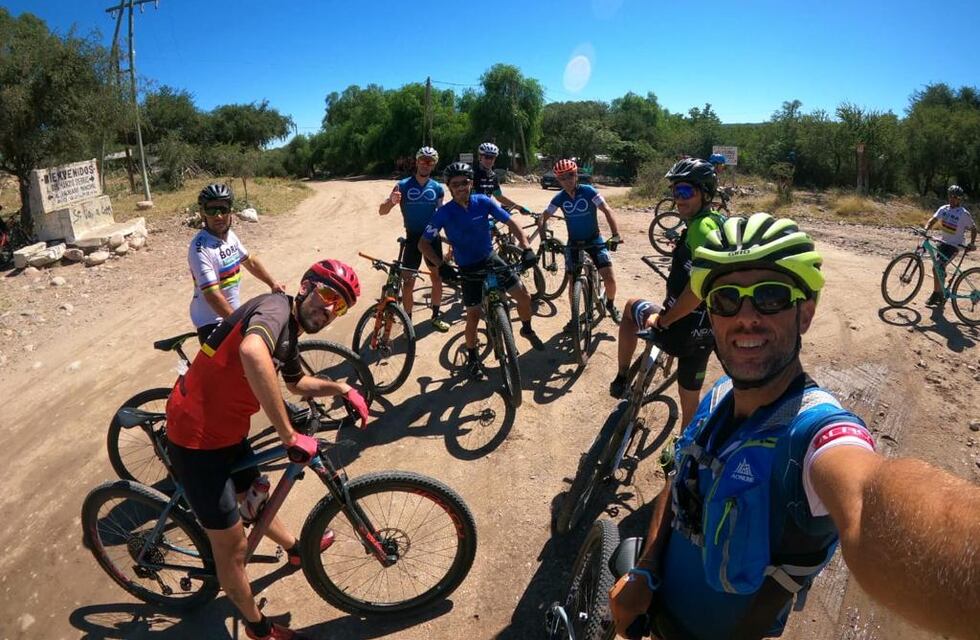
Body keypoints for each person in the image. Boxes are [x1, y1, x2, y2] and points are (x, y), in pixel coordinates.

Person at [609, 213, 980, 640]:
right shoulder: (716, 396)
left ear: (805, 313)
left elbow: (868, 496)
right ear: (712, 318)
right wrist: (645, 571)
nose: (746, 317)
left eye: (769, 296)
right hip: (656, 608)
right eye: (727, 300)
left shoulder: (816, 436)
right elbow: (678, 484)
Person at [165, 259, 371, 640]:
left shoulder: (290, 330)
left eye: (338, 306)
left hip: (226, 430)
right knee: (234, 548)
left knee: (254, 497)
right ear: (306, 286)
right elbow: (252, 351)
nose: (328, 309)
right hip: (195, 439)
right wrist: (288, 437)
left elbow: (297, 383)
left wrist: (343, 388)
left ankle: (295, 548)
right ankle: (258, 628)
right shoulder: (276, 309)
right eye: (326, 295)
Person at [610, 159, 725, 429]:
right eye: (675, 192)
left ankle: (622, 375)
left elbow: (697, 290)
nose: (678, 198)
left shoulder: (700, 228)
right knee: (690, 404)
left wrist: (664, 319)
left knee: (629, 308)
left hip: (676, 330)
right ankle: (682, 459)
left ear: (705, 193)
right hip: (706, 334)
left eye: (685, 192)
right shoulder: (717, 222)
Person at [419, 162, 544, 380]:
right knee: (473, 316)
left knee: (524, 296)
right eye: (455, 184)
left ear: (471, 183)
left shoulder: (483, 201)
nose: (461, 188)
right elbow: (424, 243)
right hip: (467, 266)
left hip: (490, 258)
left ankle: (526, 328)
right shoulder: (444, 213)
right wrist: (441, 265)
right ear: (448, 187)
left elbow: (512, 222)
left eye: (465, 183)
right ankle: (473, 357)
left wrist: (526, 247)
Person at [189, 183, 285, 344]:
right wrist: (237, 324)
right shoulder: (200, 248)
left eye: (223, 209)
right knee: (248, 362)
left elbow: (250, 261)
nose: (218, 216)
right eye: (212, 210)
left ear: (230, 211)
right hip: (212, 321)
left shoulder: (229, 236)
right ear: (202, 213)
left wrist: (273, 284)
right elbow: (213, 296)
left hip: (232, 314)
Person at [538, 158, 623, 324]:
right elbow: (543, 217)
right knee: (572, 282)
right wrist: (543, 240)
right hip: (574, 243)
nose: (567, 180)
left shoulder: (589, 191)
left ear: (576, 175)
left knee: (610, 278)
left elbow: (607, 210)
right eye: (562, 178)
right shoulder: (560, 198)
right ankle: (575, 317)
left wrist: (615, 234)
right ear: (558, 180)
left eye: (570, 175)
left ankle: (611, 305)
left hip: (594, 240)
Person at [378, 146, 450, 332]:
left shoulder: (437, 188)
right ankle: (408, 323)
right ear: (417, 162)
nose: (426, 164)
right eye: (423, 160)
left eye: (430, 161)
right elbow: (382, 212)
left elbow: (441, 215)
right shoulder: (402, 185)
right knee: (408, 283)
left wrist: (452, 240)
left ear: (433, 165)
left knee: (437, 277)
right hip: (412, 239)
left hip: (431, 239)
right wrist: (391, 202)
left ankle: (435, 316)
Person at [923, 184, 976, 306]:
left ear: (959, 199)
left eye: (955, 197)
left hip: (954, 246)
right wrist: (926, 229)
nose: (952, 199)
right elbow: (933, 219)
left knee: (939, 266)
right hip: (943, 243)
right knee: (936, 268)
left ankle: (937, 294)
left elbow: (973, 228)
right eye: (950, 196)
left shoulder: (963, 213)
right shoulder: (944, 209)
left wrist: (972, 243)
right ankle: (939, 293)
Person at [473, 142, 532, 215]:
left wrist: (519, 208)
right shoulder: (472, 174)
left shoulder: (493, 176)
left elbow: (499, 197)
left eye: (492, 157)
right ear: (480, 157)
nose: (489, 160)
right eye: (487, 157)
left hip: (484, 213)